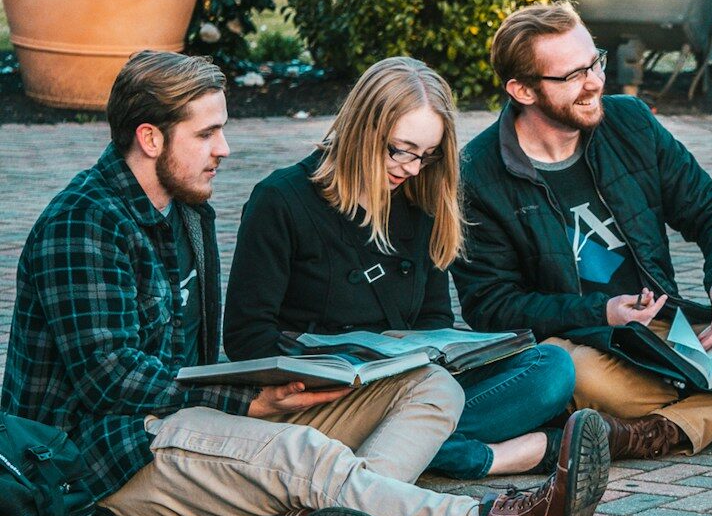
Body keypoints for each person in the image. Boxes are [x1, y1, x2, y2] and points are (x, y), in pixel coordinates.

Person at [0, 51, 608, 516]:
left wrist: (261, 394)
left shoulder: (186, 213)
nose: (224, 149)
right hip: (101, 458)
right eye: (208, 133)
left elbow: (200, 356)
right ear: (151, 138)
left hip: (182, 420)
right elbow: (110, 380)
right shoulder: (84, 225)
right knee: (305, 456)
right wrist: (250, 404)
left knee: (432, 386)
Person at [452, 1, 712, 460]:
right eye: (572, 76)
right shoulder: (478, 174)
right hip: (587, 341)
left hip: (666, 329)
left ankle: (656, 432)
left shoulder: (630, 122)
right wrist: (602, 313)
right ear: (522, 90)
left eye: (594, 62)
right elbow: (491, 305)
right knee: (571, 374)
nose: (595, 82)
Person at [224, 57, 576, 480]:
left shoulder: (419, 201)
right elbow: (246, 339)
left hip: (416, 387)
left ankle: (410, 448)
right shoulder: (280, 200)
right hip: (333, 396)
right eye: (401, 150)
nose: (411, 168)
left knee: (551, 367)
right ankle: (489, 456)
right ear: (362, 129)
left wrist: (442, 352)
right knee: (440, 410)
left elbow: (434, 321)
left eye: (426, 156)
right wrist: (340, 359)